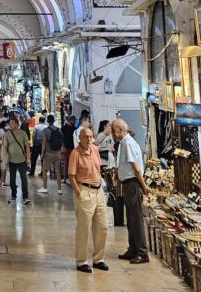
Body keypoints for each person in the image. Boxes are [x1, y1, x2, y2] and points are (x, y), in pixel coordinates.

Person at [67, 125, 109, 273]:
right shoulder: (75, 153)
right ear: (80, 138)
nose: (89, 139)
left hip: (98, 191)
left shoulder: (95, 150)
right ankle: (81, 261)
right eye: (85, 137)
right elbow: (71, 176)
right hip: (84, 190)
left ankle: (98, 259)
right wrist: (79, 193)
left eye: (91, 137)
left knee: (102, 227)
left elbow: (98, 169)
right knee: (84, 228)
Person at [112, 118, 149, 263]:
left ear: (120, 130)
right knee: (131, 219)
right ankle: (133, 249)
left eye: (115, 131)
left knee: (136, 219)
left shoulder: (128, 144)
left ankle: (142, 252)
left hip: (133, 184)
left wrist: (144, 186)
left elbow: (136, 168)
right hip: (128, 184)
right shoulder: (124, 143)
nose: (114, 134)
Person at [1, 115, 31, 205]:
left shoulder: (22, 133)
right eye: (10, 123)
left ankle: (25, 197)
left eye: (12, 123)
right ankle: (14, 196)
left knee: (24, 178)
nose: (10, 125)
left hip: (22, 160)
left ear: (17, 124)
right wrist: (5, 156)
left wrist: (28, 158)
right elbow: (4, 147)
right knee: (12, 180)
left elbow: (27, 146)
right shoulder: (7, 134)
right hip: (11, 161)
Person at [38, 113, 63, 194]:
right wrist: (61, 151)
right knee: (58, 171)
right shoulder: (59, 130)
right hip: (58, 153)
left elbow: (44, 142)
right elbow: (61, 142)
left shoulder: (45, 130)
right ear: (54, 121)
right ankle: (59, 189)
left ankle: (45, 187)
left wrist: (42, 153)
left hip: (49, 153)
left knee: (45, 170)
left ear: (47, 121)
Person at [61, 115, 76, 185]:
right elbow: (62, 138)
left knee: (73, 163)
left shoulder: (74, 128)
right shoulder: (63, 128)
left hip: (73, 148)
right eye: (74, 120)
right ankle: (65, 178)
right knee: (66, 163)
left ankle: (71, 177)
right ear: (71, 120)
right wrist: (63, 147)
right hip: (66, 148)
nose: (74, 122)